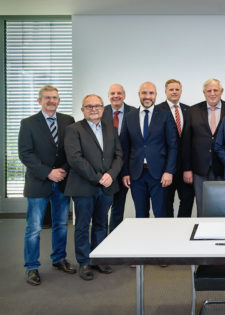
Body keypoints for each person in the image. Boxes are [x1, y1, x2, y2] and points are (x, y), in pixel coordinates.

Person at [18, 85, 76, 286]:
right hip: (38, 182)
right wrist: (48, 172)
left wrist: (62, 171)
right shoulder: (28, 123)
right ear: (39, 101)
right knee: (33, 228)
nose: (52, 101)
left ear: (59, 100)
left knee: (61, 224)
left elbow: (73, 150)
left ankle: (59, 259)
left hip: (62, 181)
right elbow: (25, 154)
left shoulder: (68, 121)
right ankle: (31, 266)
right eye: (47, 98)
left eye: (55, 97)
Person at [64, 94, 123, 280]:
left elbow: (119, 155)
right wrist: (99, 178)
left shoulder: (111, 129)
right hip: (84, 186)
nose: (93, 109)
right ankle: (84, 262)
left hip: (106, 187)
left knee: (100, 223)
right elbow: (75, 159)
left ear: (103, 108)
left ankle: (98, 259)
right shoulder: (73, 129)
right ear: (83, 110)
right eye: (89, 106)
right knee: (82, 225)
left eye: (97, 105)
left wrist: (111, 175)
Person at [120, 82, 178, 218]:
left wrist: (169, 171)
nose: (147, 96)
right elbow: (125, 147)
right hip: (136, 175)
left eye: (151, 93)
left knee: (161, 214)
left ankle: (161, 240)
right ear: (139, 95)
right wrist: (125, 172)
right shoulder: (129, 116)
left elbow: (173, 146)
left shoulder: (165, 116)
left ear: (156, 95)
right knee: (140, 214)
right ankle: (143, 239)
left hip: (160, 174)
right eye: (144, 93)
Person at [182, 78, 225, 216]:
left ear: (221, 91)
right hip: (199, 168)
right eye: (209, 91)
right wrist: (187, 168)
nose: (212, 93)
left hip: (224, 167)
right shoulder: (192, 110)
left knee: (223, 206)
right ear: (204, 93)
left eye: (215, 90)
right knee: (203, 208)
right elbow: (186, 142)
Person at [102, 84, 137, 232]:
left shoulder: (135, 112)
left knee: (119, 206)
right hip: (106, 168)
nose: (116, 95)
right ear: (108, 96)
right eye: (112, 93)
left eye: (119, 93)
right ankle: (101, 240)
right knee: (102, 208)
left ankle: (113, 238)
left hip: (127, 167)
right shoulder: (100, 112)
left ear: (124, 95)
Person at [157, 79, 195, 217]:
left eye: (177, 89)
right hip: (165, 168)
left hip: (185, 167)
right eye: (171, 89)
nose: (174, 92)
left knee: (187, 199)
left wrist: (188, 167)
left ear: (181, 91)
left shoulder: (189, 110)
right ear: (165, 91)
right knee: (166, 202)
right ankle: (169, 232)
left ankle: (182, 229)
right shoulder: (157, 110)